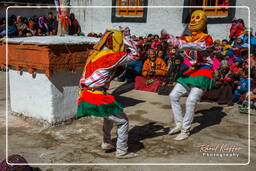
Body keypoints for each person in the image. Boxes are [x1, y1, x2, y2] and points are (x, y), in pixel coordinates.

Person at [77, 27, 139, 158]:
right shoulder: (109, 57)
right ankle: (122, 151)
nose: (121, 44)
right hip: (96, 97)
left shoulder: (95, 54)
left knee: (109, 115)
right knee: (123, 121)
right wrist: (127, 36)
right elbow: (135, 54)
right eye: (120, 41)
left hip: (86, 95)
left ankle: (106, 141)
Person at [166, 10, 214, 140]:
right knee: (173, 95)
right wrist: (169, 39)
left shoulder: (207, 38)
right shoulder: (187, 37)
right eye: (193, 17)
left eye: (198, 18)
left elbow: (199, 47)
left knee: (191, 101)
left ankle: (186, 130)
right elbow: (177, 42)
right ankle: (179, 123)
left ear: (204, 23)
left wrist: (181, 43)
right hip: (192, 70)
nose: (194, 20)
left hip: (204, 71)